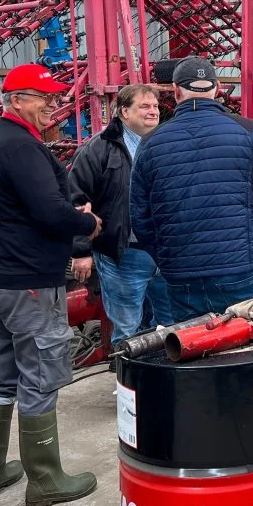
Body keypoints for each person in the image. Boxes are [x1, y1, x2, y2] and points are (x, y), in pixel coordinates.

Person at [0, 63, 102, 506]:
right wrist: (87, 221)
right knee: (40, 376)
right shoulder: (22, 147)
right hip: (25, 281)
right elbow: (49, 213)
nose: (53, 105)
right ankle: (44, 479)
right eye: (44, 97)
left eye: (54, 96)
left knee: (2, 374)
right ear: (17, 101)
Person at [130, 56, 253, 321]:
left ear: (176, 91)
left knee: (194, 353)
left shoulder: (150, 142)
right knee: (252, 352)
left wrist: (167, 258)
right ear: (218, 87)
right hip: (243, 268)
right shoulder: (249, 131)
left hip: (180, 274)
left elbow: (140, 217)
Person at [69, 84, 173, 341]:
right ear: (124, 111)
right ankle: (129, 381)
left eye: (156, 107)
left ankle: (163, 380)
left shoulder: (167, 144)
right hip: (125, 255)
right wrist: (81, 250)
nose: (153, 112)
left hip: (167, 255)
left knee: (170, 325)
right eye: (145, 106)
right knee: (127, 330)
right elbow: (75, 200)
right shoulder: (98, 149)